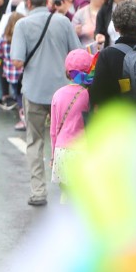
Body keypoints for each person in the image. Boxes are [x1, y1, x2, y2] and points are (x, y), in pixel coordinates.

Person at [11, 0, 80, 207]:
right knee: (66, 141)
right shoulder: (63, 21)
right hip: (63, 94)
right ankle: (68, 190)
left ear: (27, 1)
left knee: (35, 141)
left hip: (34, 91)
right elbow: (76, 53)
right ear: (47, 0)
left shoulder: (22, 25)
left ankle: (38, 191)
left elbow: (18, 60)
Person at [49, 49, 92, 199]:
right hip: (82, 150)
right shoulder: (88, 95)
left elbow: (53, 131)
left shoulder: (58, 94)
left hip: (61, 151)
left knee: (66, 195)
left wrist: (53, 156)